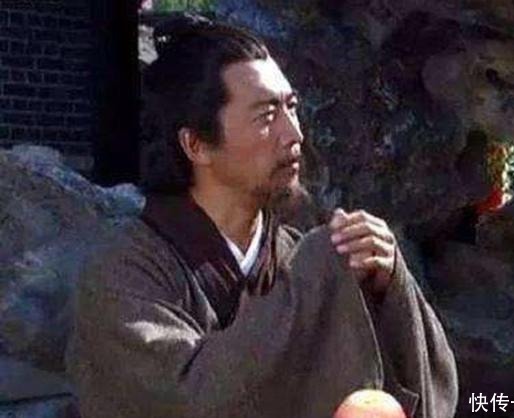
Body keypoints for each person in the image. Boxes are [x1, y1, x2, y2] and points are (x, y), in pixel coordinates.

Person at [66, 14, 458, 418]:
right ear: (196, 145)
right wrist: (317, 272)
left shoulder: (295, 254)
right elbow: (185, 402)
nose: (295, 134)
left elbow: (425, 392)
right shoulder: (124, 272)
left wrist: (387, 285)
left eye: (292, 108)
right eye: (267, 116)